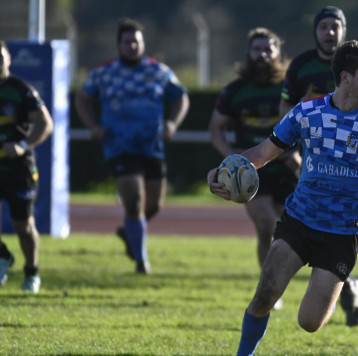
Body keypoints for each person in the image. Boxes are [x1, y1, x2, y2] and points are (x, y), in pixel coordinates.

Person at [207, 39, 358, 356]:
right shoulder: (306, 113)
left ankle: (344, 286)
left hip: (341, 235)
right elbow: (265, 152)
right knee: (265, 294)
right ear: (345, 77)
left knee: (309, 322)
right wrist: (223, 170)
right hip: (299, 221)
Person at [278, 6, 358, 325]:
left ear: (343, 31)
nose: (330, 32)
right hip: (314, 161)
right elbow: (286, 108)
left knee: (310, 320)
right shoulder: (302, 66)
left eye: (336, 26)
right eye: (324, 26)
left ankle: (337, 282)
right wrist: (289, 145)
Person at [75, 18, 190, 274]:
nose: (132, 46)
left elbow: (180, 97)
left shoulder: (158, 71)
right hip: (119, 145)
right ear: (119, 45)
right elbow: (83, 98)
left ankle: (130, 231)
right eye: (127, 42)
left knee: (155, 204)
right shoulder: (103, 72)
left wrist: (172, 124)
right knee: (134, 198)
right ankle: (141, 261)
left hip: (152, 145)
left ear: (143, 43)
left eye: (136, 41)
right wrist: (92, 126)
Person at [209, 27, 297, 309]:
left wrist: (298, 154)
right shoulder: (235, 90)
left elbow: (308, 124)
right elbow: (215, 129)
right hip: (250, 174)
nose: (262, 55)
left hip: (287, 169)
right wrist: (230, 158)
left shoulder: (291, 86)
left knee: (288, 233)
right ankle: (269, 286)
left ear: (278, 53)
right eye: (257, 49)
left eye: (268, 49)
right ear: (248, 53)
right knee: (265, 225)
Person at [0, 39, 54, 293]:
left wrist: (23, 144)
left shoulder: (21, 90)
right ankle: (3, 256)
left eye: (0, 58)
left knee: (23, 225)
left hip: (18, 169)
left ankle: (31, 272)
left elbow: (46, 124)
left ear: (8, 59)